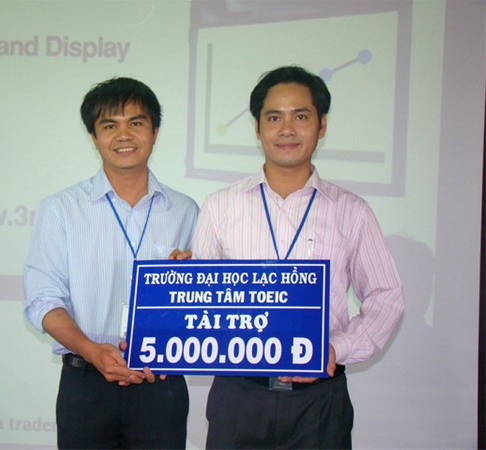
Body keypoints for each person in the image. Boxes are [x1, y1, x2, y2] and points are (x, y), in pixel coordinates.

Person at [192, 66, 404, 449]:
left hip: (319, 401)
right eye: (274, 118)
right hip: (239, 396)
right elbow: (200, 301)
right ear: (257, 128)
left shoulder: (351, 211)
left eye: (300, 116)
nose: (286, 130)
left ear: (322, 126)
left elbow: (387, 296)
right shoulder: (220, 207)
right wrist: (178, 285)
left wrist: (336, 349)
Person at [24, 77, 199, 449]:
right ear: (93, 137)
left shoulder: (186, 211)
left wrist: (196, 279)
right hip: (86, 383)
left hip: (160, 385)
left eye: (136, 123)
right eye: (109, 125)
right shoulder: (60, 209)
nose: (124, 135)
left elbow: (199, 307)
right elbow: (42, 300)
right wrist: (92, 350)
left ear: (155, 131)